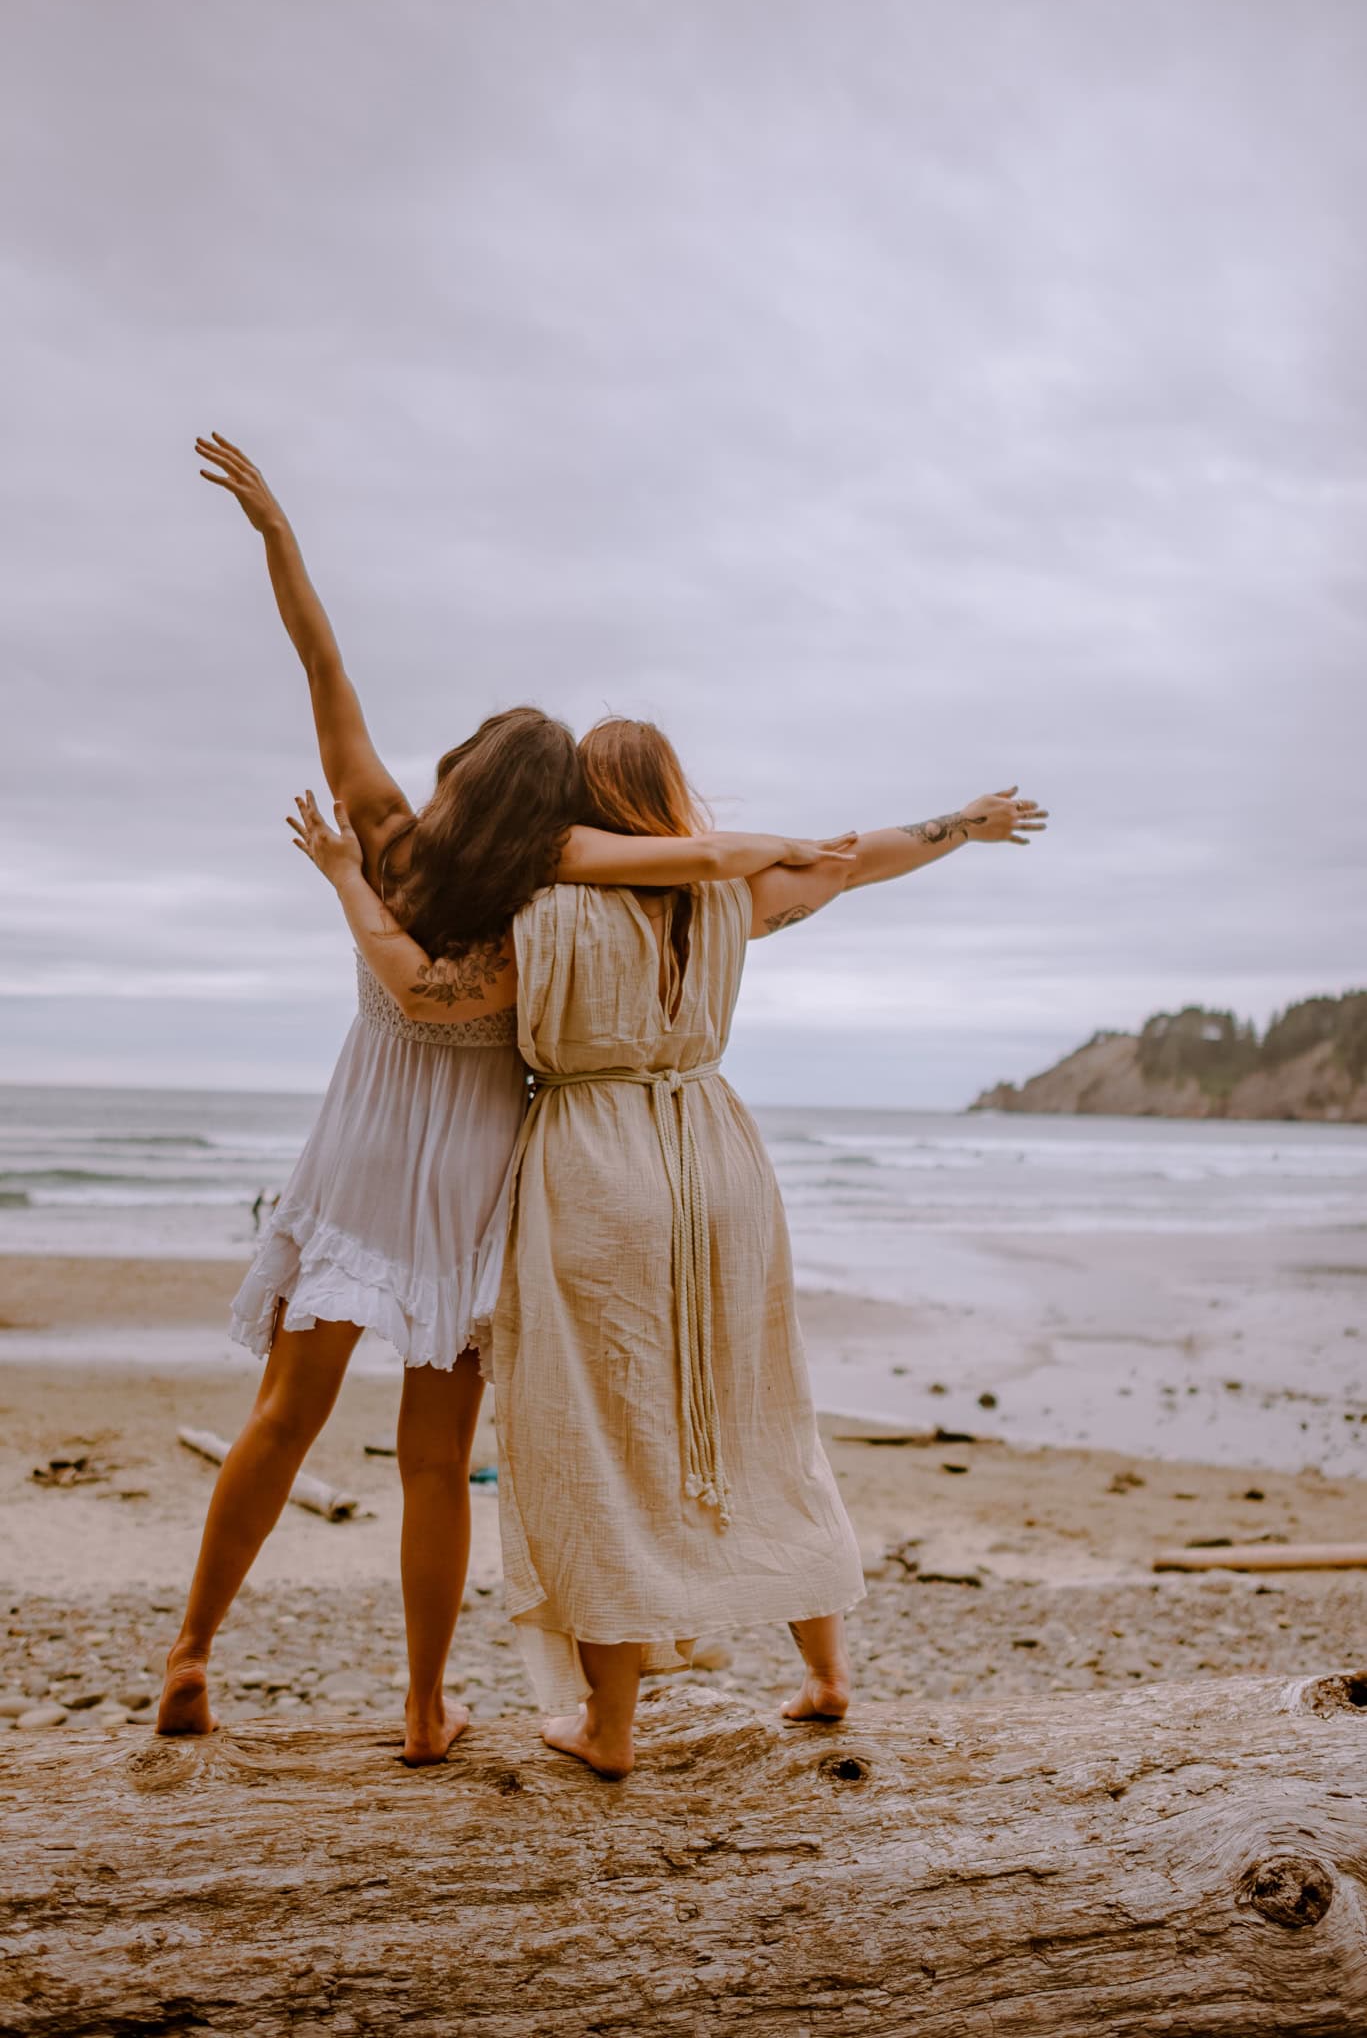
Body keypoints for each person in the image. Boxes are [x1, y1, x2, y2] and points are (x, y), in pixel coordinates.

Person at [157, 439, 843, 1760]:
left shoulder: (387, 839)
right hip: (477, 1178)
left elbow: (323, 669)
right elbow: (682, 863)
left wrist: (277, 537)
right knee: (430, 1461)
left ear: (462, 774)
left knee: (282, 1419)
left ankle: (189, 1657)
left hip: (359, 1158)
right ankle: (422, 1708)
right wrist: (763, 846)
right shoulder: (539, 901)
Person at [294, 716, 1046, 1775]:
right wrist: (963, 825)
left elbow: (426, 990)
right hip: (715, 1150)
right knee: (760, 1407)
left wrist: (346, 877)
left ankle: (607, 1725)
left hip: (595, 1162)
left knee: (587, 1434)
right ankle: (826, 1674)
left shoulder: (542, 913)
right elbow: (853, 857)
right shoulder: (730, 896)